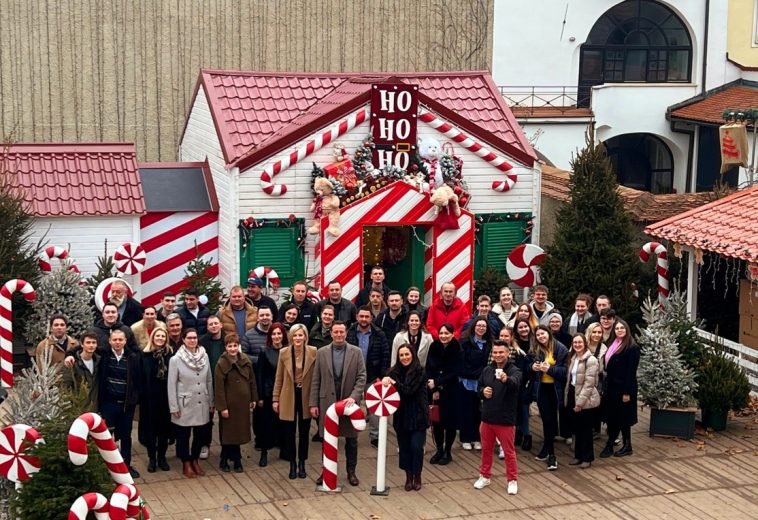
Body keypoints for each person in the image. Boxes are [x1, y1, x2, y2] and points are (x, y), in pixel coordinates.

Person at [309, 321, 367, 487]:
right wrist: (313, 403)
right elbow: (316, 379)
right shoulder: (321, 353)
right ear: (331, 333)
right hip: (327, 402)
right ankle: (326, 471)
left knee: (351, 440)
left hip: (348, 403)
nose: (339, 335)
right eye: (336, 332)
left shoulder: (356, 352)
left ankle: (351, 472)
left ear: (346, 332)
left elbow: (361, 377)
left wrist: (354, 397)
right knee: (327, 439)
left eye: (342, 332)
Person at [473, 340, 521, 495]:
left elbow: (515, 383)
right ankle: (485, 476)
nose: (498, 355)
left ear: (508, 353)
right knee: (486, 449)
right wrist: (482, 392)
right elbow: (478, 387)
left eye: (501, 352)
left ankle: (512, 480)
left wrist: (505, 379)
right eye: (495, 352)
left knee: (509, 452)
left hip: (505, 419)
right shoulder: (487, 370)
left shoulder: (515, 371)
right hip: (487, 417)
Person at [273, 324, 317, 479]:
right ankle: (292, 463)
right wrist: (275, 399)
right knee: (289, 433)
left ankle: (302, 463)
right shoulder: (284, 352)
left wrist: (315, 401)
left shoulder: (313, 351)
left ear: (305, 336)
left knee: (304, 432)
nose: (298, 338)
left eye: (301, 335)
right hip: (288, 395)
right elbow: (279, 377)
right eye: (295, 335)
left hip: (305, 395)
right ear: (291, 337)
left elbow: (316, 378)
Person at [168, 328, 214, 478]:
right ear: (184, 340)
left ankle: (195, 459)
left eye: (195, 338)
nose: (193, 340)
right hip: (185, 403)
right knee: (183, 435)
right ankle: (185, 462)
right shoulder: (176, 359)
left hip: (202, 402)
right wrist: (173, 406)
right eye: (189, 338)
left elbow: (209, 379)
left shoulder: (204, 356)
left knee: (200, 434)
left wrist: (211, 400)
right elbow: (171, 384)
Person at [96, 329, 142, 478]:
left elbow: (137, 379)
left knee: (126, 436)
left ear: (125, 341)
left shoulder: (132, 358)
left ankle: (126, 465)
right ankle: (106, 467)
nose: (117, 342)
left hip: (126, 405)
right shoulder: (104, 356)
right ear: (109, 341)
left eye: (120, 340)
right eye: (114, 340)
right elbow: (82, 346)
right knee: (107, 436)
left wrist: (134, 398)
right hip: (109, 403)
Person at [383, 344, 428, 491]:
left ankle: (417, 475)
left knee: (416, 447)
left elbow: (410, 391)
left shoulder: (420, 371)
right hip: (401, 417)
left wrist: (394, 384)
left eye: (407, 354)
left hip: (418, 416)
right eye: (401, 355)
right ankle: (408, 477)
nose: (404, 358)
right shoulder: (393, 372)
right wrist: (385, 381)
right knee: (404, 449)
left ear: (412, 354)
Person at [347, 306, 390, 448]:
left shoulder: (379, 334)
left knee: (374, 409)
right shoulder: (350, 332)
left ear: (371, 318)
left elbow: (385, 355)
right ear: (357, 317)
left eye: (367, 317)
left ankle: (375, 436)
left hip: (373, 376)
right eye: (361, 316)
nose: (364, 319)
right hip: (354, 377)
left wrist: (382, 375)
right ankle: (352, 434)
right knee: (353, 407)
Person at [215, 333, 257, 473]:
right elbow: (219, 388)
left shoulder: (245, 360)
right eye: (230, 346)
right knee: (228, 433)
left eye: (235, 346)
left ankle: (236, 458)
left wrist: (253, 398)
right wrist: (222, 407)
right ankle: (225, 458)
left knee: (239, 432)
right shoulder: (222, 363)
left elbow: (252, 381)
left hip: (242, 404)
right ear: (226, 347)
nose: (233, 349)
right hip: (229, 404)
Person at [529, 325, 568, 471]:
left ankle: (550, 453)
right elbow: (527, 366)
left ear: (549, 333)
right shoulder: (535, 349)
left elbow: (565, 371)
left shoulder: (560, 348)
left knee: (552, 420)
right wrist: (533, 367)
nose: (541, 337)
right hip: (542, 389)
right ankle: (548, 449)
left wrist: (549, 370)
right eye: (538, 335)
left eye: (543, 334)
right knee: (546, 419)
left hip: (555, 389)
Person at [600, 319, 640, 459]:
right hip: (611, 387)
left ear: (627, 329)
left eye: (622, 328)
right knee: (614, 417)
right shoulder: (612, 344)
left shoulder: (632, 348)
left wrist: (627, 392)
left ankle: (619, 445)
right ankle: (619, 443)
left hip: (624, 388)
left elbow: (631, 372)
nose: (619, 330)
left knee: (623, 418)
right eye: (617, 328)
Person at [425, 323, 462, 465]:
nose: (443, 336)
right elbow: (429, 367)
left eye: (447, 333)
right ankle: (439, 449)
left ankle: (448, 450)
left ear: (452, 334)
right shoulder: (434, 346)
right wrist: (434, 389)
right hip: (434, 389)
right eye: (441, 333)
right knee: (437, 422)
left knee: (450, 423)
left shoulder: (457, 348)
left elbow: (456, 371)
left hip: (451, 390)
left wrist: (439, 382)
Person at [139, 327, 174, 473]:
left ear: (166, 339)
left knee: (164, 430)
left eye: (163, 336)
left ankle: (162, 457)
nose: (160, 338)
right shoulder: (144, 356)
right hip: (149, 400)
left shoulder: (171, 356)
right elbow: (139, 377)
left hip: (166, 398)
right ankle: (152, 458)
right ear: (152, 337)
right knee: (151, 430)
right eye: (157, 336)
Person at [565, 334, 601, 469]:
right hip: (573, 395)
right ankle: (578, 456)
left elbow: (589, 383)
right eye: (575, 342)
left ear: (585, 343)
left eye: (580, 342)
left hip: (586, 399)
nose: (577, 345)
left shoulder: (591, 360)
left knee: (586, 430)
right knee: (577, 428)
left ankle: (587, 457)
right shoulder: (573, 357)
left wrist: (580, 403)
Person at [255, 322, 288, 467]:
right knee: (266, 425)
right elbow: (260, 375)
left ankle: (284, 450)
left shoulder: (288, 350)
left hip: (285, 393)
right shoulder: (264, 351)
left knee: (284, 424)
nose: (276, 336)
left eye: (279, 333)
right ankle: (264, 453)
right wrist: (260, 396)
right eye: (273, 334)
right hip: (269, 394)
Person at [459, 317, 493, 451]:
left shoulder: (489, 343)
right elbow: (462, 362)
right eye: (478, 326)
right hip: (467, 381)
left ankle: (477, 438)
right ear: (474, 327)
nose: (481, 328)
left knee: (479, 412)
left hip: (482, 382)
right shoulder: (465, 342)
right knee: (466, 411)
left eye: (484, 326)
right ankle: (466, 438)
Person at [507, 320, 533, 452]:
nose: (523, 329)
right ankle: (518, 432)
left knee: (524, 407)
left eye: (525, 326)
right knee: (516, 407)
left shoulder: (534, 342)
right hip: (517, 379)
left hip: (529, 379)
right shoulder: (515, 345)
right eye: (520, 327)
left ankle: (527, 434)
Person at [62, 330, 99, 407]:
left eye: (93, 343)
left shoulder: (99, 361)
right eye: (88, 342)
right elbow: (65, 386)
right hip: (77, 407)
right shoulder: (72, 363)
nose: (91, 345)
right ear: (82, 344)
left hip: (95, 406)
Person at [585, 322, 608, 436]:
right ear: (589, 332)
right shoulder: (582, 344)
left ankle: (596, 430)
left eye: (599, 332)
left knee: (596, 405)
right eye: (594, 332)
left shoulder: (604, 348)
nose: (597, 334)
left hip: (597, 380)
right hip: (582, 379)